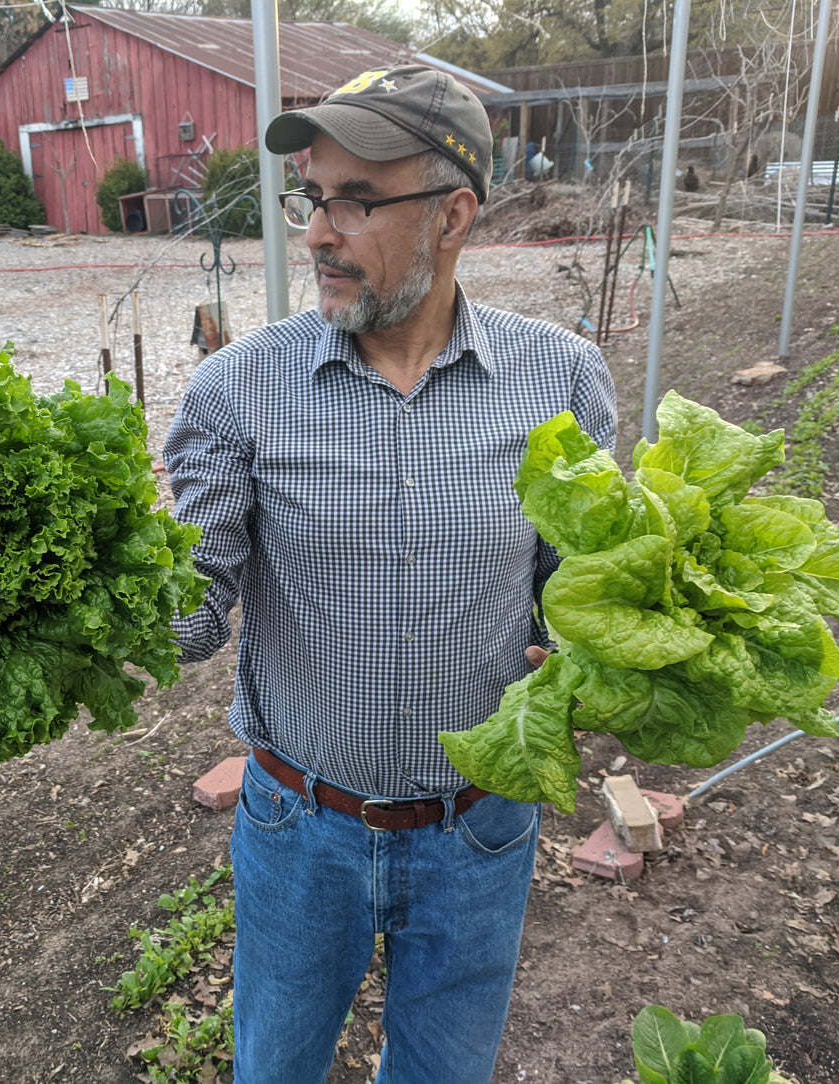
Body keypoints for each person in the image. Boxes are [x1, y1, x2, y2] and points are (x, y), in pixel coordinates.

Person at [163, 65, 617, 1082]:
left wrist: (639, 647)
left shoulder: (559, 378)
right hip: (296, 831)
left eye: (358, 200)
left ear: (452, 214)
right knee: (272, 1067)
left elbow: (576, 590)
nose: (318, 232)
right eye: (313, 197)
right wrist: (53, 607)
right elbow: (189, 613)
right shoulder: (236, 390)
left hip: (478, 832)